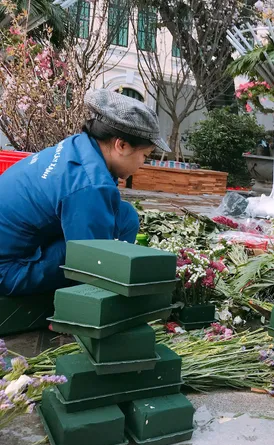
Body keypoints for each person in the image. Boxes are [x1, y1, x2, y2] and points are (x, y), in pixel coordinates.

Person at [0, 89, 170, 296]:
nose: (143, 163)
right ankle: (84, 302)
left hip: (18, 247)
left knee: (123, 215)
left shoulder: (78, 147)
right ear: (122, 145)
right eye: (145, 155)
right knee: (103, 250)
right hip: (9, 272)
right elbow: (91, 260)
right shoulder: (90, 185)